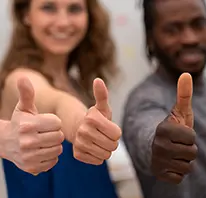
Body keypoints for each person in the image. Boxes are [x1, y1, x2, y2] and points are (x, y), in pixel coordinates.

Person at [0, 0, 121, 197]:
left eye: (74, 9)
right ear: (26, 15)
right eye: (48, 7)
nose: (63, 22)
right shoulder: (20, 81)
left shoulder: (76, 84)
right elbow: (58, 103)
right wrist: (80, 124)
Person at [122, 0, 206, 197]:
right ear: (150, 39)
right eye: (172, 30)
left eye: (198, 24)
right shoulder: (144, 99)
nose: (190, 39)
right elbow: (145, 131)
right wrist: (158, 145)